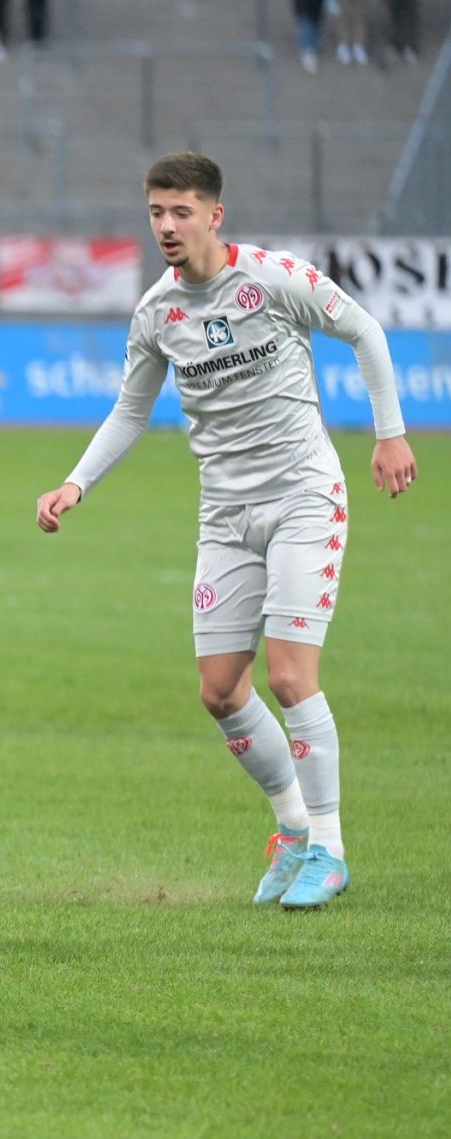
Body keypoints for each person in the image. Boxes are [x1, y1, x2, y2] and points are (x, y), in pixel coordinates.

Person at [35, 152, 416, 911]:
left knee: (289, 677)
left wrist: (390, 433)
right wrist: (76, 482)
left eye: (181, 212)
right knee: (219, 692)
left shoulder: (273, 279)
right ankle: (293, 829)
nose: (166, 226)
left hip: (304, 496)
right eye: (156, 212)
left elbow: (365, 331)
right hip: (225, 515)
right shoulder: (156, 313)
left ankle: (331, 850)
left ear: (215, 215)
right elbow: (131, 410)